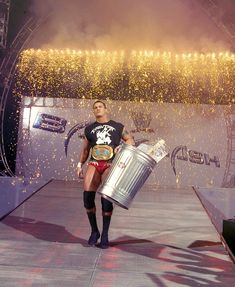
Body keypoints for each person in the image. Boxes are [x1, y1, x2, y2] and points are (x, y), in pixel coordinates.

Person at [77, 100, 134, 248]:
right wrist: (79, 164)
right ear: (93, 111)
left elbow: (131, 140)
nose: (97, 109)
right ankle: (94, 231)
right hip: (94, 163)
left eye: (100, 106)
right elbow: (85, 150)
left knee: (106, 199)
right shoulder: (89, 129)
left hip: (110, 164)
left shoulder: (117, 126)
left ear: (105, 109)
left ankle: (105, 234)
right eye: (95, 108)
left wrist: (122, 147)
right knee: (87, 198)